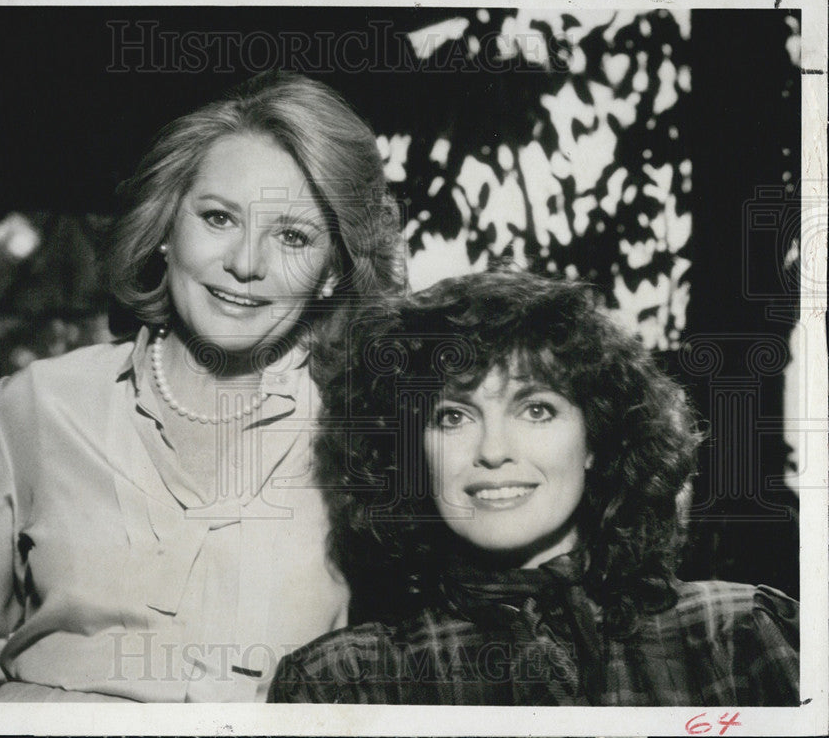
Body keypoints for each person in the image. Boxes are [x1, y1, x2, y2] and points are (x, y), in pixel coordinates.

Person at [0, 71, 405, 702]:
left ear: (332, 271)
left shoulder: (367, 444)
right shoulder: (33, 409)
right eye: (219, 217)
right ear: (167, 228)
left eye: (293, 236)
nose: (246, 263)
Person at [269, 269, 799, 706]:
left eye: (536, 409)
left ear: (596, 438)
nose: (493, 450)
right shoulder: (345, 684)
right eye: (453, 416)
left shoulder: (737, 637)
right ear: (411, 455)